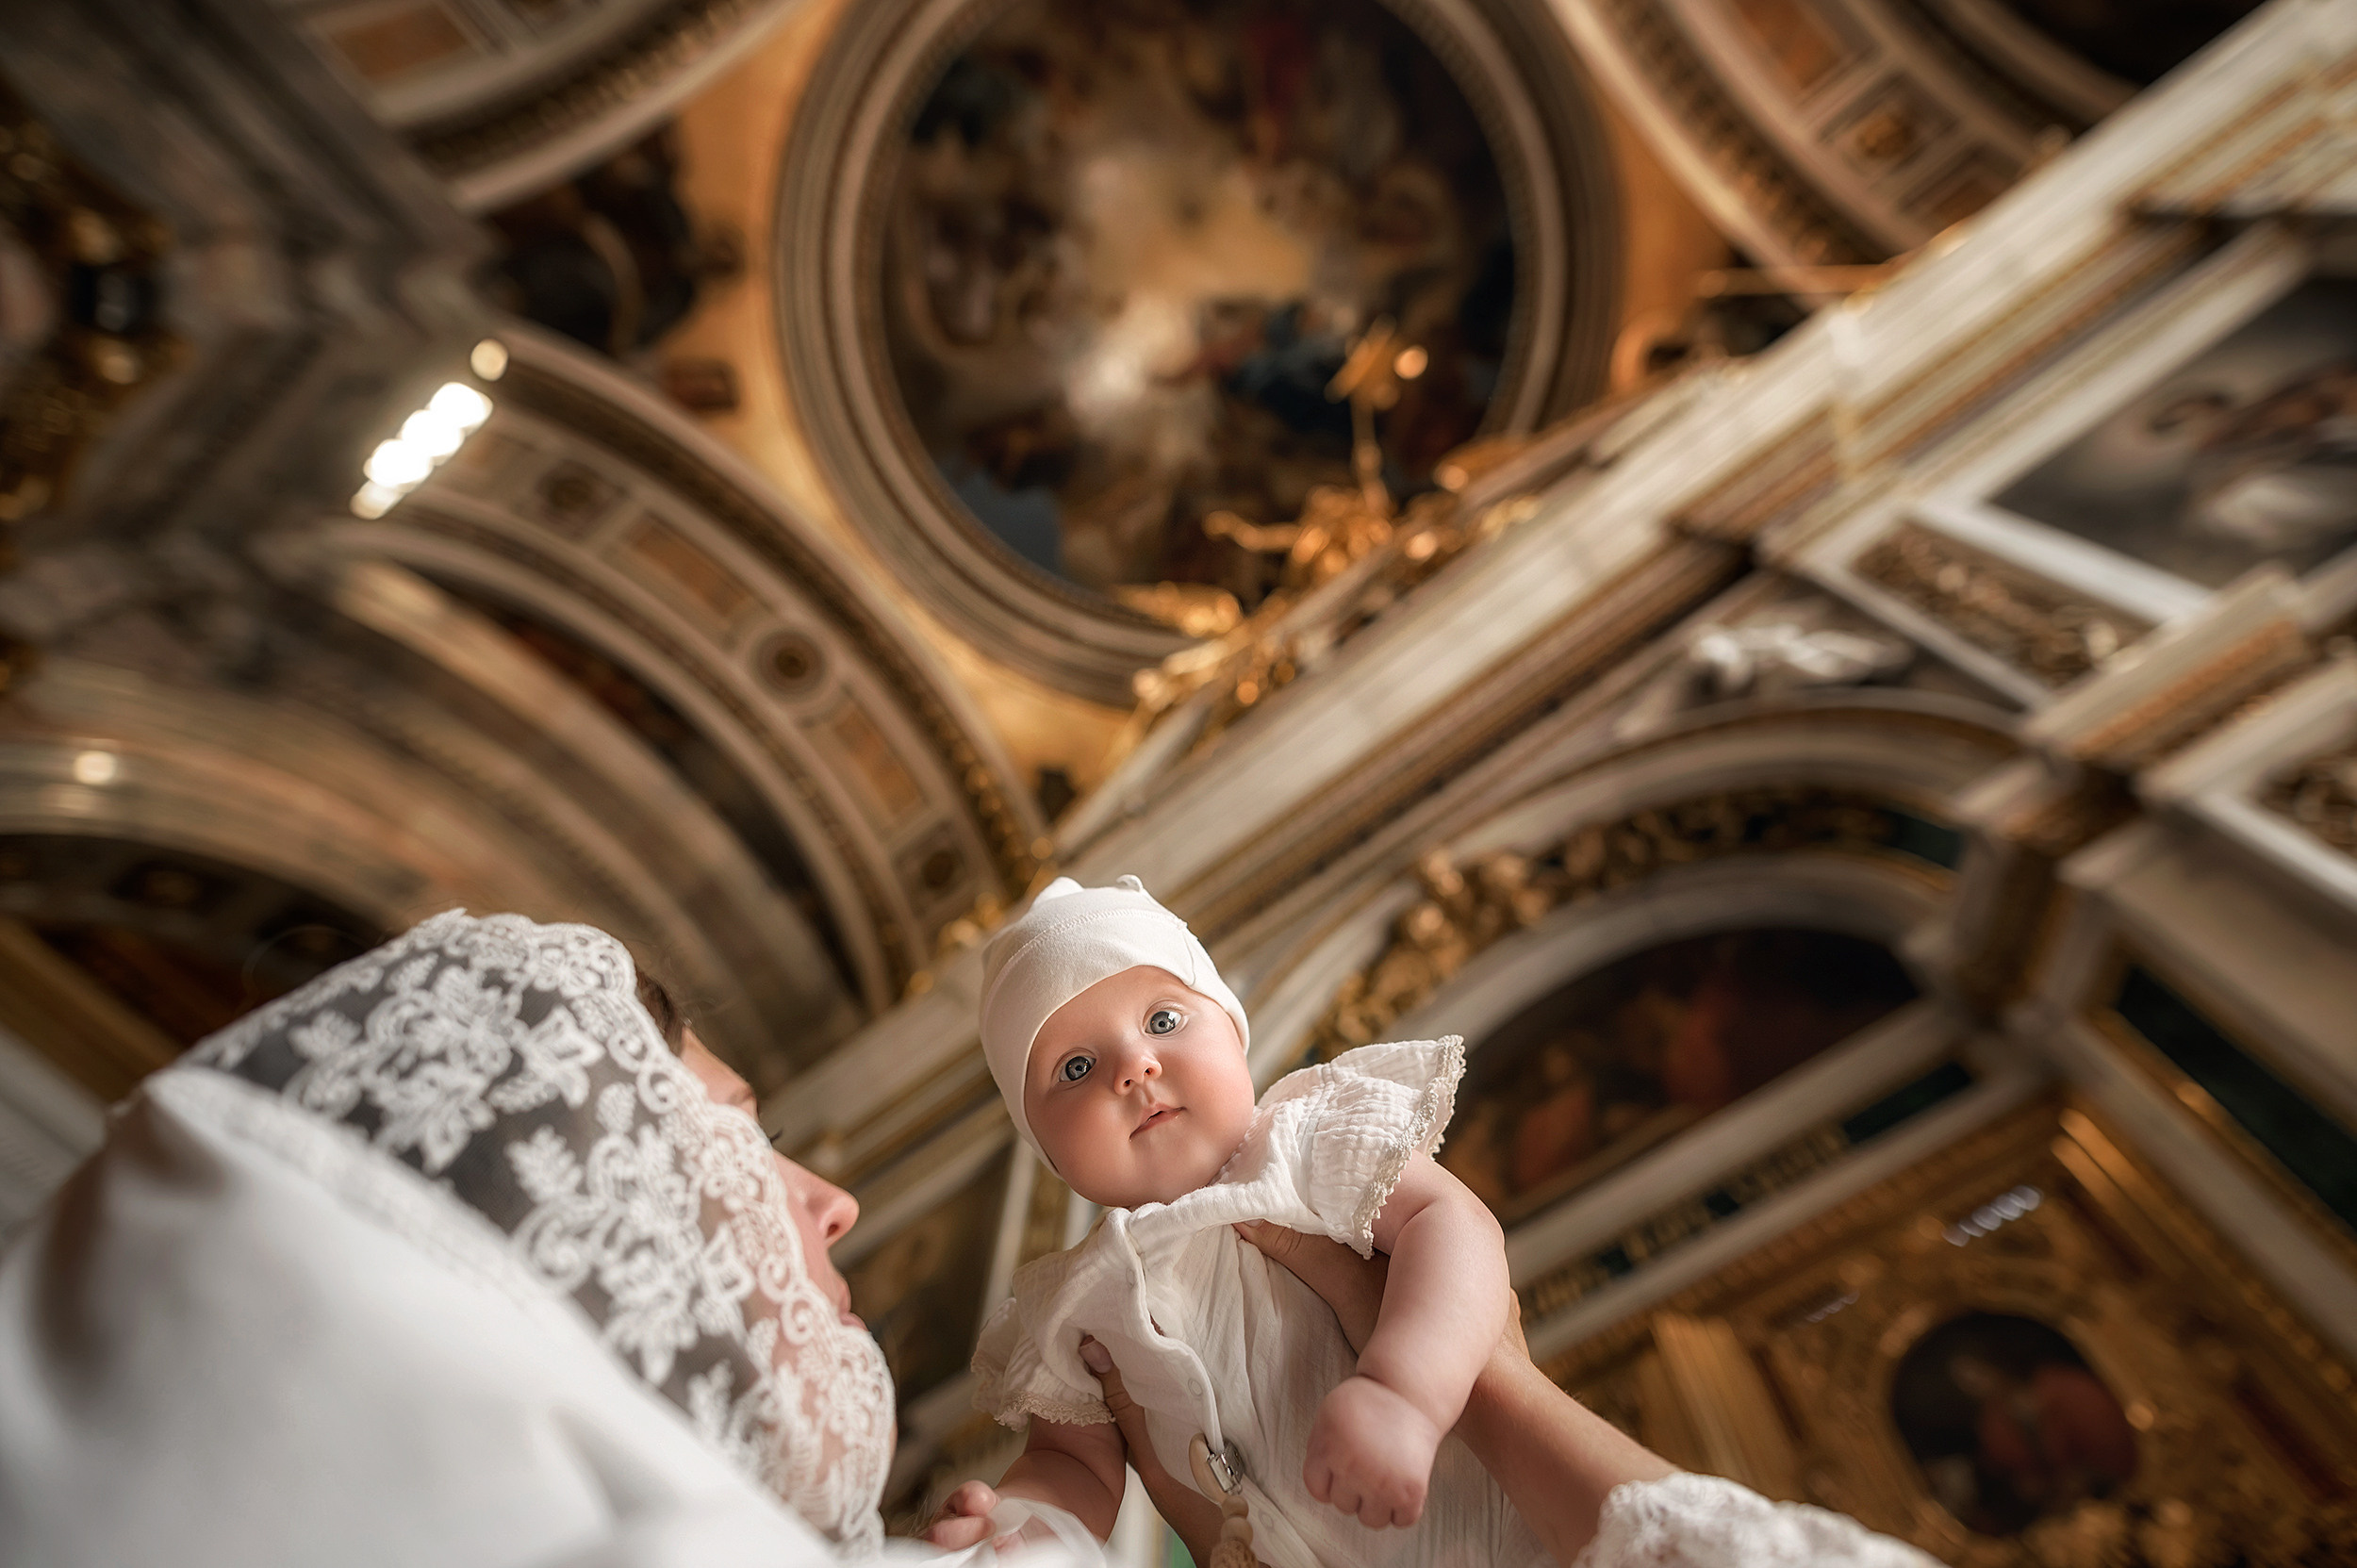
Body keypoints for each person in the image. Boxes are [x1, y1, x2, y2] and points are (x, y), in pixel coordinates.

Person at [0, 908, 1942, 1567]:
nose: (835, 1200)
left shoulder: (1338, 1149)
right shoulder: (1070, 1301)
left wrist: (1452, 1384)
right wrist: (1032, 1502)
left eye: (1164, 1020)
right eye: (756, 1140)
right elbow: (1072, 1455)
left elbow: (1455, 1263)